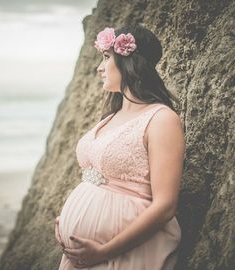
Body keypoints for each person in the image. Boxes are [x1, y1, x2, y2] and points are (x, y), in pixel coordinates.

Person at [55, 24, 185, 269]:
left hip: (123, 253)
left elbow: (165, 206)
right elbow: (97, 182)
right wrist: (66, 222)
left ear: (129, 62)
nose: (99, 67)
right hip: (83, 255)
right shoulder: (110, 117)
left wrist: (104, 251)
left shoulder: (161, 119)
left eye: (106, 58)